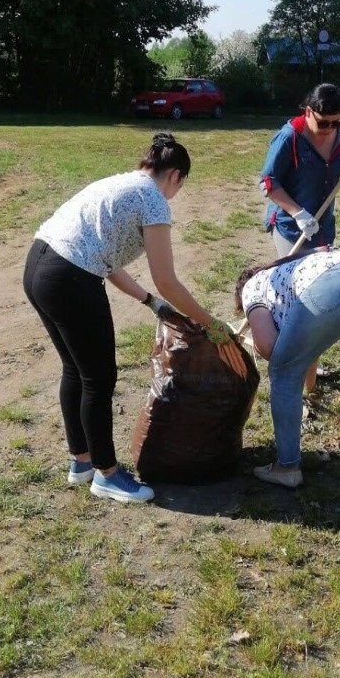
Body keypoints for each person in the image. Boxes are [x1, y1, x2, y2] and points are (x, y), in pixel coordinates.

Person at [23, 132, 244, 505]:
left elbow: (106, 258)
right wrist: (210, 322)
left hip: (38, 267)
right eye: (181, 185)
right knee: (99, 378)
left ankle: (82, 463)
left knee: (75, 370)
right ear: (176, 175)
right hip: (70, 278)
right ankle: (107, 475)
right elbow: (168, 279)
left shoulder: (122, 183)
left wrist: (150, 302)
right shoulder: (154, 200)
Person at [235, 245, 340, 489]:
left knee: (283, 373)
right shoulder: (295, 271)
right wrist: (308, 380)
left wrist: (283, 355)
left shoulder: (254, 286)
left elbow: (270, 348)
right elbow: (306, 348)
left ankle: (287, 468)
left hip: (339, 287)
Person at [258, 82, 340, 392]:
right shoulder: (288, 138)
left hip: (324, 226)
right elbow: (268, 182)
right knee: (299, 298)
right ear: (308, 111)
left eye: (336, 122)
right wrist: (298, 213)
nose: (329, 128)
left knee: (319, 294)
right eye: (323, 122)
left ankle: (309, 361)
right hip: (291, 227)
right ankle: (295, 366)